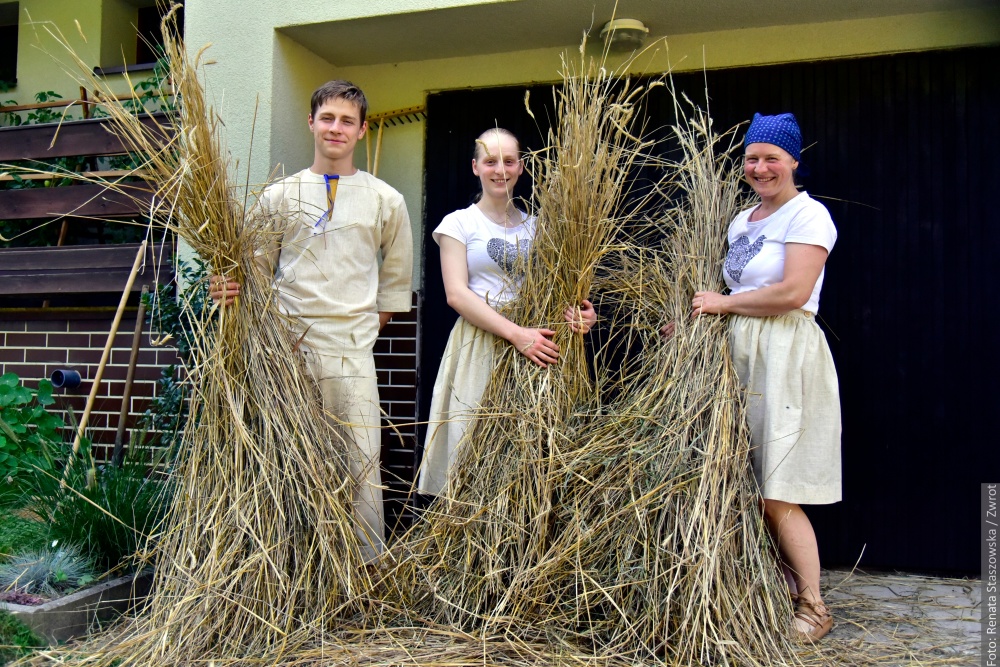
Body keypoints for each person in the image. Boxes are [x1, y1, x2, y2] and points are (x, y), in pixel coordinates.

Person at [210, 80, 413, 561]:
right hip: (289, 350)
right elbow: (254, 274)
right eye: (328, 118)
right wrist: (229, 288)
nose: (336, 128)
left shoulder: (386, 200)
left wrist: (359, 332)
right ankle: (293, 562)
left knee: (360, 462)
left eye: (347, 120)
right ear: (311, 123)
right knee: (292, 458)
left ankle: (362, 566)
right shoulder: (279, 195)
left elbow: (395, 282)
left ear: (362, 130)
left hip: (351, 351)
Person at [690, 113, 840, 642]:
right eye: (753, 158)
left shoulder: (808, 215)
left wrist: (724, 303)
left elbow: (793, 292)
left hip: (784, 350)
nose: (760, 167)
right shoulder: (740, 221)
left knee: (778, 486)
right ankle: (765, 592)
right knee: (742, 480)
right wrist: (690, 321)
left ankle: (813, 605)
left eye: (772, 158)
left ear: (794, 160)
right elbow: (723, 292)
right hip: (738, 351)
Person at [417, 127, 596, 497]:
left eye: (509, 161)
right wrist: (516, 334)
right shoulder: (458, 224)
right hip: (481, 346)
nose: (500, 169)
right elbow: (457, 295)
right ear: (475, 167)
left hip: (535, 353)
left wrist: (582, 316)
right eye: (490, 161)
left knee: (526, 464)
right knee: (470, 452)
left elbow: (562, 291)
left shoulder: (540, 228)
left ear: (521, 167)